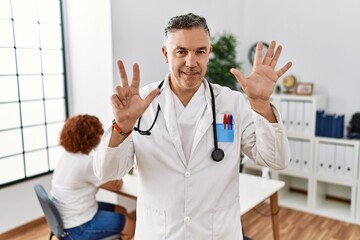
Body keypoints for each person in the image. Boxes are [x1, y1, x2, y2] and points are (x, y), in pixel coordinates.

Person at [93, 13, 292, 239]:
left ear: (209, 52)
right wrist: (122, 127)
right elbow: (106, 172)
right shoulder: (140, 104)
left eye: (199, 51)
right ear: (165, 54)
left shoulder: (232, 103)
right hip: (160, 233)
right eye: (181, 52)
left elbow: (277, 160)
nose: (191, 62)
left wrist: (261, 104)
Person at [51, 114, 135, 240]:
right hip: (78, 227)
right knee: (130, 225)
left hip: (67, 218)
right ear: (91, 138)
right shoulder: (86, 164)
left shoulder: (66, 156)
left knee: (121, 209)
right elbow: (117, 186)